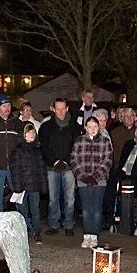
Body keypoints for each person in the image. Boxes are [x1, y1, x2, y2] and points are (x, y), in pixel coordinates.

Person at [39, 98, 81, 235]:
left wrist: (68, 161)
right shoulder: (46, 127)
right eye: (58, 109)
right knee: (53, 199)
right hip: (52, 167)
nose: (61, 111)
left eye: (63, 108)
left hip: (69, 167)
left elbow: (77, 147)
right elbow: (44, 147)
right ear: (53, 109)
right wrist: (55, 161)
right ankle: (53, 225)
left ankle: (69, 224)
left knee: (70, 198)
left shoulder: (74, 126)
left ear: (67, 108)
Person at [70, 117, 112, 248]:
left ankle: (94, 236)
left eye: (95, 126)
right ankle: (86, 235)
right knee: (86, 209)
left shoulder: (105, 141)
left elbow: (108, 161)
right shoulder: (79, 141)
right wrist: (83, 176)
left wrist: (96, 177)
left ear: (99, 127)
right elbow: (73, 160)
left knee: (97, 209)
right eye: (89, 126)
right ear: (85, 127)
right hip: (83, 181)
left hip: (99, 181)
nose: (92, 129)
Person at [9, 123, 48, 243]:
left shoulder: (37, 150)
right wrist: (17, 187)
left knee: (35, 210)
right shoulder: (17, 150)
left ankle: (37, 232)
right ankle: (26, 230)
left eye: (33, 132)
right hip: (23, 186)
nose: (32, 134)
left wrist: (44, 185)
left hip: (35, 186)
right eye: (29, 132)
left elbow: (42, 169)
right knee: (22, 211)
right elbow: (15, 170)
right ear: (23, 134)